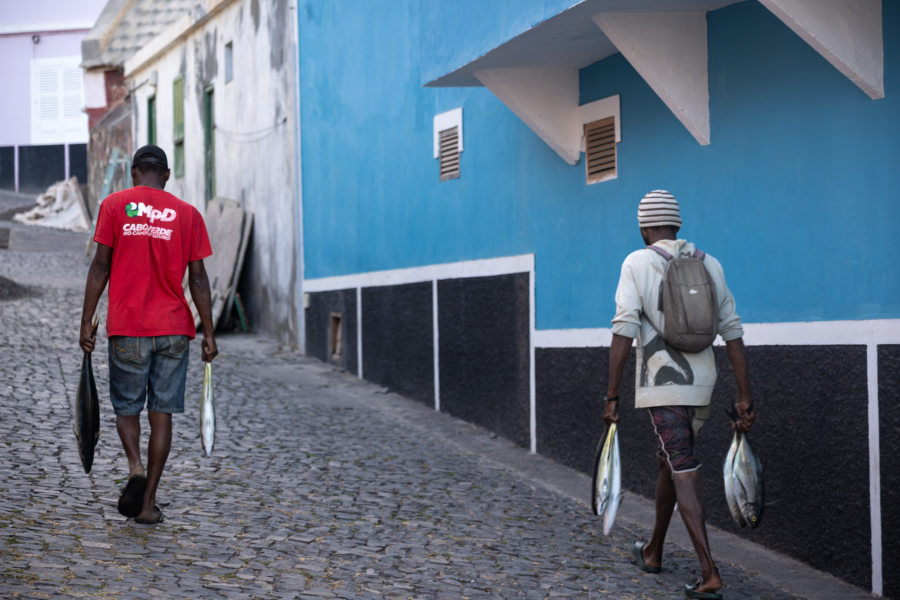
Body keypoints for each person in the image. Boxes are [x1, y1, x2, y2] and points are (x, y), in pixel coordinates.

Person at [603, 190, 755, 600]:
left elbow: (623, 328)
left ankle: (709, 574)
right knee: (669, 461)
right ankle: (653, 550)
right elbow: (733, 331)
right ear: (677, 224)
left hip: (664, 386)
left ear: (643, 228)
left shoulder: (637, 262)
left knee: (683, 469)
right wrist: (744, 396)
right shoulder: (709, 263)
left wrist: (612, 394)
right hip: (704, 387)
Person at [79, 144, 217, 525]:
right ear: (166, 175)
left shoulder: (115, 206)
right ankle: (148, 504)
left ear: (135, 173)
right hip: (174, 330)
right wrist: (209, 333)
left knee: (127, 409)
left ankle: (135, 465)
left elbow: (99, 267)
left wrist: (85, 320)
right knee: (162, 415)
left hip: (128, 329)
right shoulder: (188, 215)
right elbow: (200, 279)